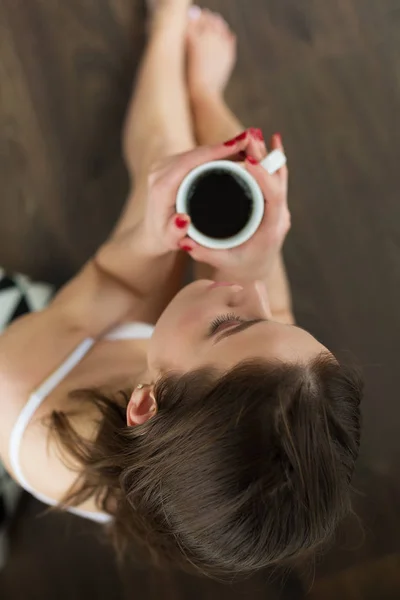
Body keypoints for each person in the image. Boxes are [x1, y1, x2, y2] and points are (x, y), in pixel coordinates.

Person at [0, 0, 362, 581]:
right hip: (167, 356)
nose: (256, 295)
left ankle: (166, 27)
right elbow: (267, 309)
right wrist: (261, 257)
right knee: (249, 185)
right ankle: (202, 91)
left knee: (169, 168)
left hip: (72, 339)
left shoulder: (22, 394)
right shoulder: (230, 417)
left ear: (146, 402)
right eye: (287, 329)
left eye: (236, 324)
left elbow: (111, 280)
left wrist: (148, 238)